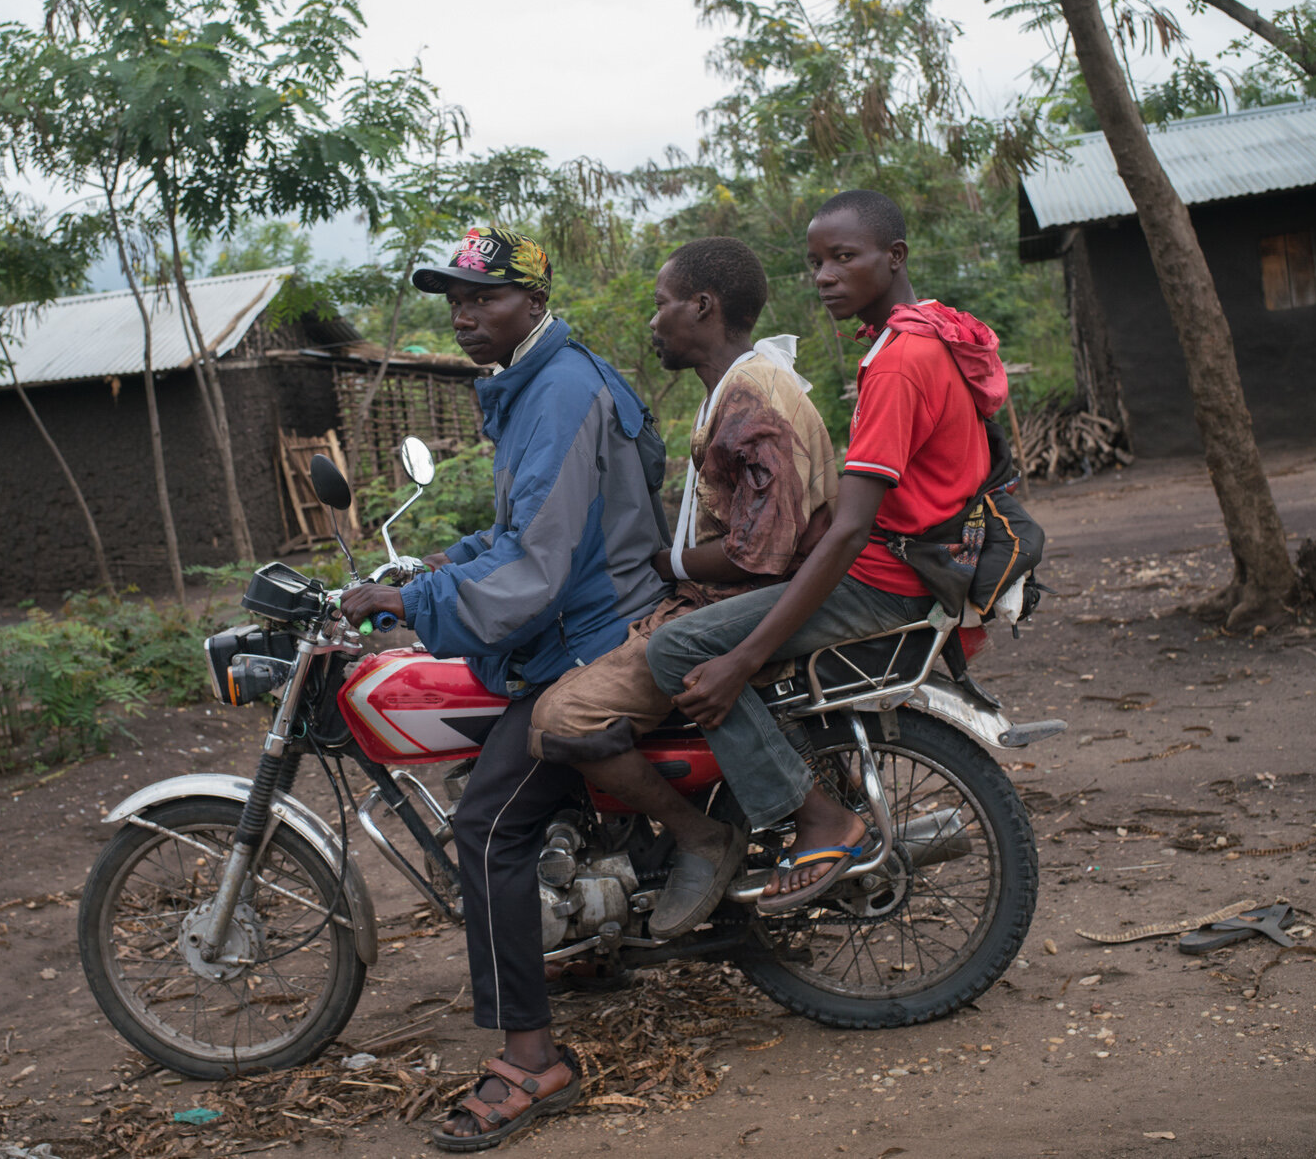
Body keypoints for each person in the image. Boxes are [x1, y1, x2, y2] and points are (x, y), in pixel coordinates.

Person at [337, 226, 668, 1152]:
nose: (464, 316)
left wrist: (419, 599)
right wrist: (447, 562)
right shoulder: (533, 383)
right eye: (454, 301)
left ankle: (532, 1059)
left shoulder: (556, 390)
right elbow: (529, 529)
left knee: (487, 824)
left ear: (532, 299)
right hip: (583, 616)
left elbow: (543, 564)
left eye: (482, 298)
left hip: (588, 639)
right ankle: (583, 944)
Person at [645, 189, 999, 915]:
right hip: (924, 561)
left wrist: (741, 657)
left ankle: (819, 819)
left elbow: (848, 532)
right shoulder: (934, 334)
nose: (825, 276)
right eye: (815, 263)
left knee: (676, 654)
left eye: (844, 258)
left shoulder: (898, 362)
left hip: (884, 578)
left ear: (892, 258)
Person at [528, 236, 837, 938]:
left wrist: (672, 566)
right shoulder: (735, 389)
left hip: (736, 605)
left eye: (661, 304)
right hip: (717, 598)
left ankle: (702, 839)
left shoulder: (751, 396)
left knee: (558, 721)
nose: (653, 321)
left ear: (702, 306)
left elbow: (764, 550)